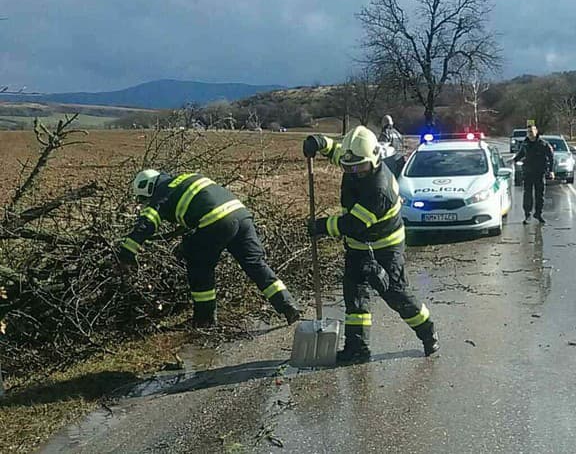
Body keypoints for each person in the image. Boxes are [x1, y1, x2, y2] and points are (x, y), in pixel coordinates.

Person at [303, 126, 439, 363]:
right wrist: (318, 141)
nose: (354, 172)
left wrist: (322, 226)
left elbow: (355, 224)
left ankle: (427, 330)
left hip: (385, 247)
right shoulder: (356, 159)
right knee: (354, 296)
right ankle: (357, 348)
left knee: (396, 295)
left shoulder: (379, 189)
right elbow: (335, 150)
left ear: (375, 157)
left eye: (359, 167)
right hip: (357, 246)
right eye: (349, 167)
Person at [116, 170, 302, 328]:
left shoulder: (160, 194)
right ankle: (287, 305)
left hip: (216, 220)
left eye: (143, 199)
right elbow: (196, 210)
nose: (144, 203)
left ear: (148, 187)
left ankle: (204, 320)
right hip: (241, 215)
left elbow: (146, 224)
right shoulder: (186, 177)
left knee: (200, 269)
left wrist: (127, 251)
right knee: (255, 264)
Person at [512, 125, 554, 223]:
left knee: (540, 195)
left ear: (536, 132)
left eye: (531, 131)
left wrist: (551, 171)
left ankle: (538, 214)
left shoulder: (543, 144)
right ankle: (527, 214)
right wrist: (514, 160)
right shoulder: (525, 144)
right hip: (528, 173)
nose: (530, 133)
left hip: (539, 173)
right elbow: (521, 154)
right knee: (527, 195)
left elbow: (551, 157)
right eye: (528, 132)